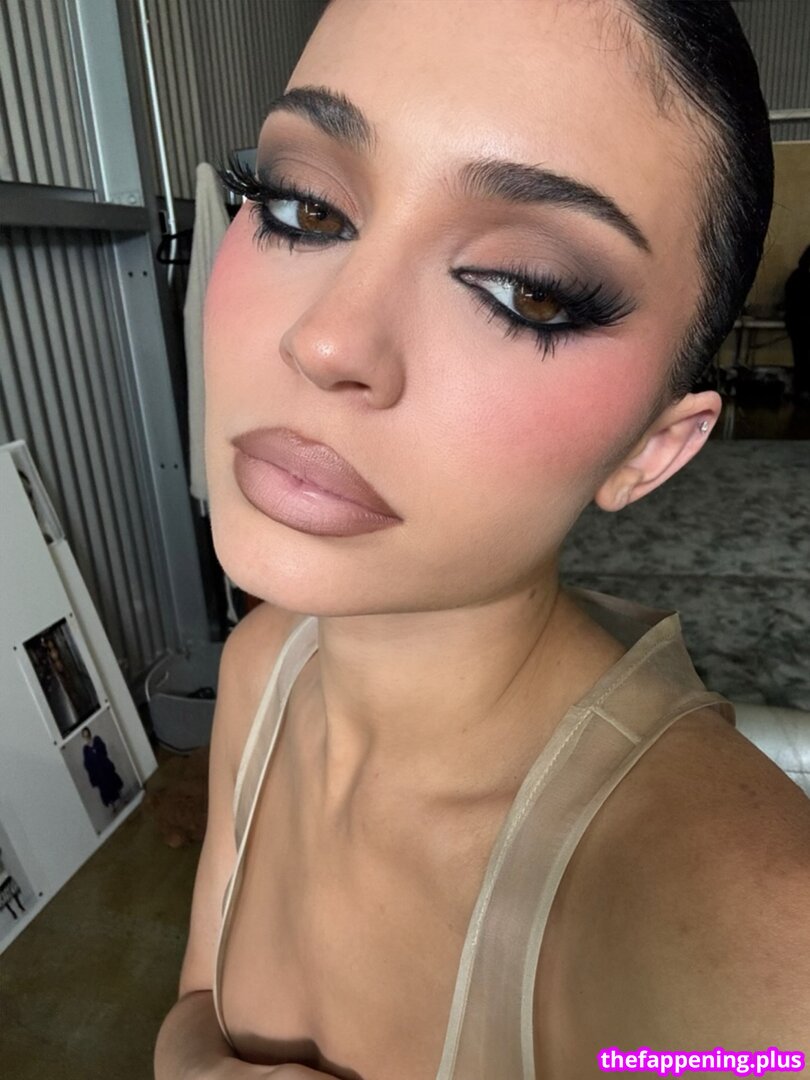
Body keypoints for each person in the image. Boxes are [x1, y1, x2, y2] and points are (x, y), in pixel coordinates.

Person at [155, 2, 810, 1078]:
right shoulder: (265, 666)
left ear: (653, 449)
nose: (327, 340)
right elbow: (196, 1001)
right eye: (304, 206)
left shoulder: (749, 947)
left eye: (526, 293)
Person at [785, 245, 810, 402]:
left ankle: (802, 390)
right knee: (803, 359)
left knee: (801, 359)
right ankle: (803, 390)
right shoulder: (800, 279)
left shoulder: (796, 277)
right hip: (801, 326)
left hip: (798, 325)